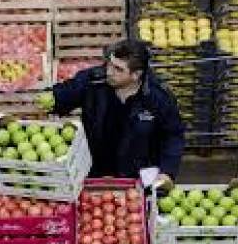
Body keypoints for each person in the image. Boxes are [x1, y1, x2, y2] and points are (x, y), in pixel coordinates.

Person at [37, 40, 185, 184]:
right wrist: (53, 98)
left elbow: (173, 135)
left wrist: (167, 172)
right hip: (94, 171)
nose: (109, 72)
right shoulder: (94, 81)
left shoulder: (157, 97)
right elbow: (69, 91)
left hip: (136, 177)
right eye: (110, 64)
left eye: (118, 69)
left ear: (136, 75)